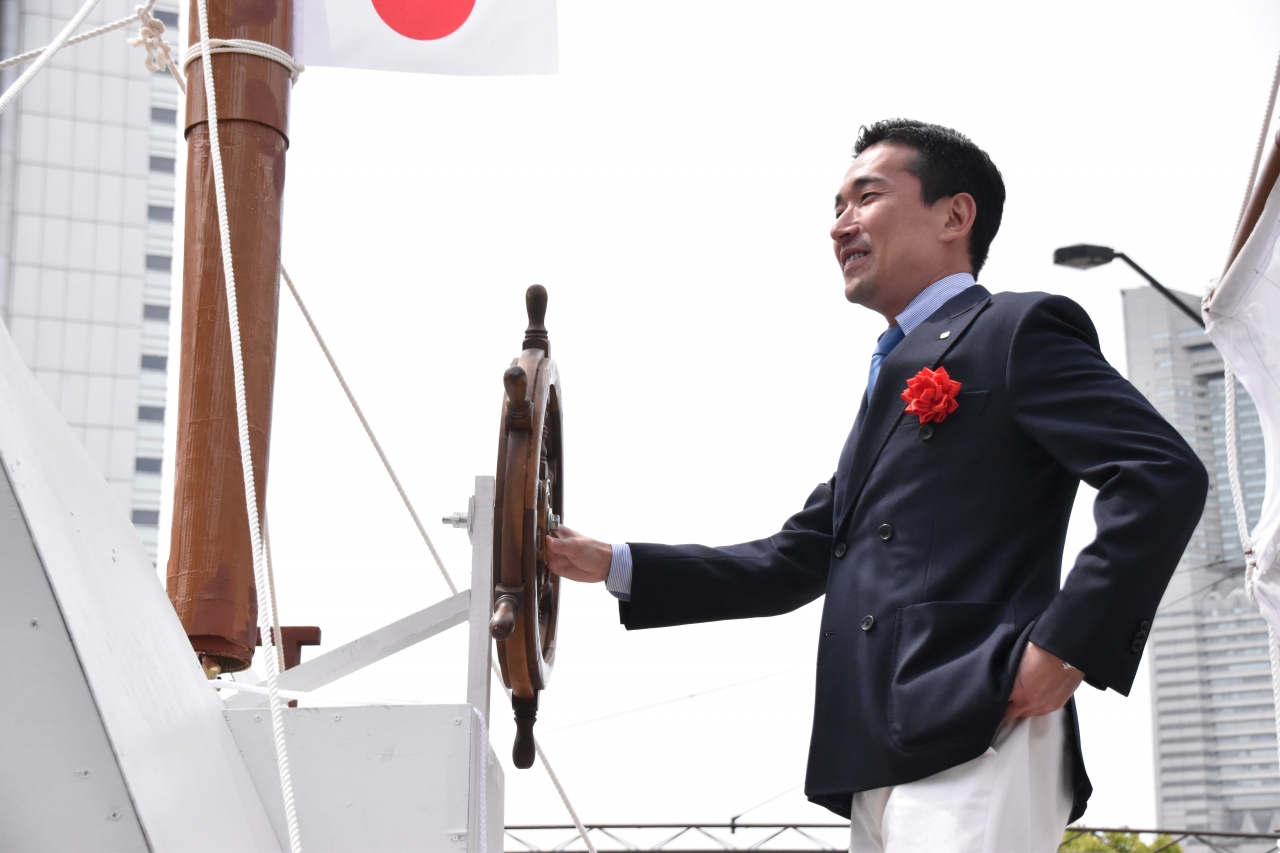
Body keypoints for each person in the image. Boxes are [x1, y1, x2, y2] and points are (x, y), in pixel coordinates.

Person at [544, 119, 1208, 852]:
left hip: (985, 710)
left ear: (955, 216)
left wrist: (1064, 649)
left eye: (866, 197)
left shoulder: (1017, 328)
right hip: (873, 739)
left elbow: (1160, 473)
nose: (840, 225)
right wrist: (615, 562)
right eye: (835, 207)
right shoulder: (889, 376)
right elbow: (794, 559)